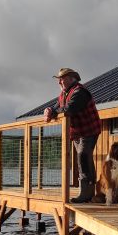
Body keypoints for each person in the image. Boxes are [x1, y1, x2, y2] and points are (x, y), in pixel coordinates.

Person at [44, 68, 101, 203]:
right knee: (84, 159)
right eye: (58, 80)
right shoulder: (64, 93)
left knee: (83, 157)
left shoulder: (80, 92)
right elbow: (57, 106)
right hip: (77, 132)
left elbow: (69, 109)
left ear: (71, 78)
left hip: (89, 130)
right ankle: (89, 192)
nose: (59, 82)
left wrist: (54, 112)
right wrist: (49, 110)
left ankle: (86, 194)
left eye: (61, 79)